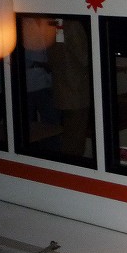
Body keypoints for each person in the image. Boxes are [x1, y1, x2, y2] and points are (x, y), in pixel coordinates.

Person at [48, 18, 91, 157]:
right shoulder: (73, 24)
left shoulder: (52, 24)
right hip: (77, 90)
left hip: (61, 88)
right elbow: (84, 57)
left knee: (69, 134)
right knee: (76, 137)